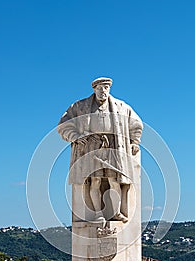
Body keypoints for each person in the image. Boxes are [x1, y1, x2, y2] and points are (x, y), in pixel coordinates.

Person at [57, 77, 143, 223]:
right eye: (100, 88)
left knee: (114, 180)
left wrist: (134, 141)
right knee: (95, 180)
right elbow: (64, 124)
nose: (103, 91)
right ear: (94, 89)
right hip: (91, 146)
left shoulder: (121, 107)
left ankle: (116, 212)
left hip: (114, 146)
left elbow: (136, 124)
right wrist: (75, 136)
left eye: (106, 88)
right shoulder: (80, 106)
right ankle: (97, 213)